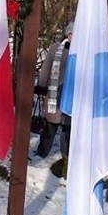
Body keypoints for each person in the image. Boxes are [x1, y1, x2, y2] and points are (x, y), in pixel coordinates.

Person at [35, 23, 73, 158]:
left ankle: (66, 157)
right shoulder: (55, 48)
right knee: (50, 125)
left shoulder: (83, 51)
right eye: (72, 34)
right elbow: (45, 70)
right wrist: (42, 87)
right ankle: (42, 152)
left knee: (68, 129)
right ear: (68, 34)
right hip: (55, 94)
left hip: (71, 96)